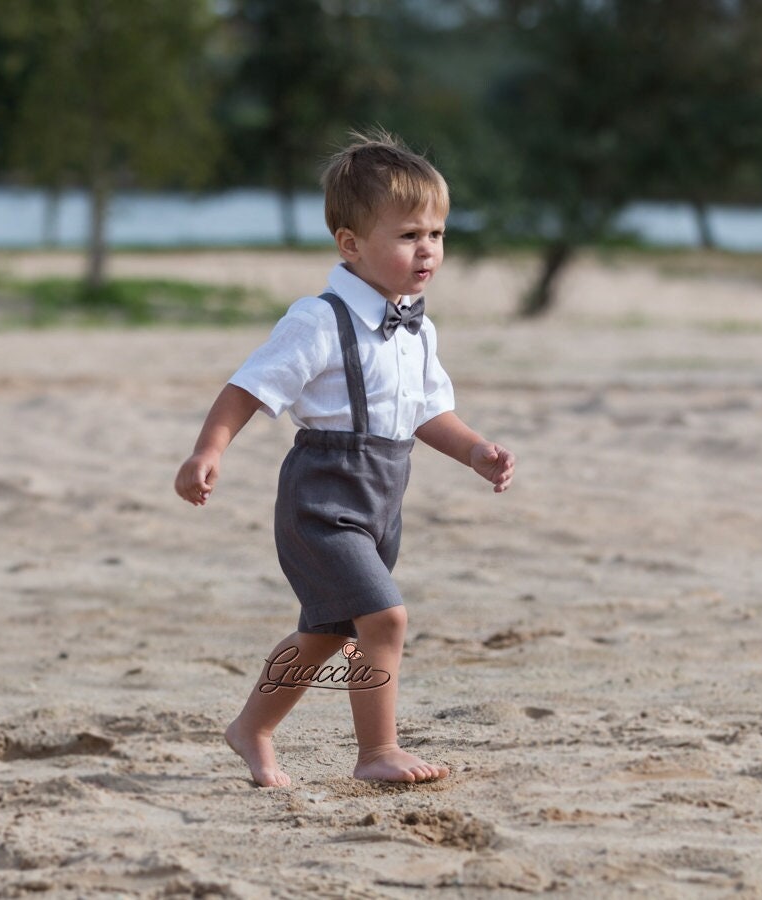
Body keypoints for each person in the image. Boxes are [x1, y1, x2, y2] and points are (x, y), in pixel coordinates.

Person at [174, 129, 515, 787]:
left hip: (382, 497)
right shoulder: (318, 319)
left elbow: (425, 414)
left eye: (437, 234)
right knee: (383, 617)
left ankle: (252, 727)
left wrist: (474, 450)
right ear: (351, 244)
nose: (428, 250)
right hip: (322, 497)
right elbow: (250, 386)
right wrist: (207, 451)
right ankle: (377, 751)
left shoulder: (416, 324)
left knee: (327, 635)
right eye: (409, 235)